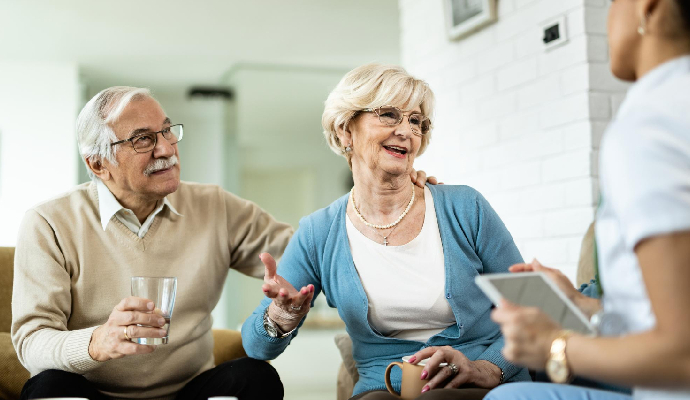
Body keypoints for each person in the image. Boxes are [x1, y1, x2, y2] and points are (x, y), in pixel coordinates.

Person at [11, 86, 433, 400]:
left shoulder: (213, 206)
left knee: (256, 377)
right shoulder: (49, 223)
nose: (167, 148)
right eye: (142, 139)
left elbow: (313, 251)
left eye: (166, 131)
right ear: (98, 163)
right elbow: (31, 342)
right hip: (94, 391)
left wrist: (395, 200)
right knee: (47, 388)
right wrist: (95, 342)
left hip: (190, 391)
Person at [241, 64, 531, 400]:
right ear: (345, 129)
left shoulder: (465, 207)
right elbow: (254, 347)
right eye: (390, 115)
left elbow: (530, 309)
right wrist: (279, 316)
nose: (406, 131)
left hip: (480, 380)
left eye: (416, 121)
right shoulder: (319, 232)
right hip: (387, 388)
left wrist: (487, 367)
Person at [485, 0, 690, 399]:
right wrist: (580, 303)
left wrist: (555, 346)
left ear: (647, 7)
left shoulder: (651, 124)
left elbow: (682, 351)